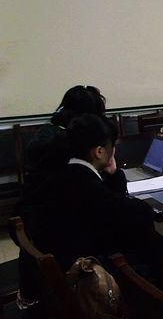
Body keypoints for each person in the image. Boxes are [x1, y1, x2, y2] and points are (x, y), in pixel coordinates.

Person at [34, 114, 156, 271]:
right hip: (84, 268)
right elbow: (137, 212)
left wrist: (113, 174)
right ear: (99, 151)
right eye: (113, 146)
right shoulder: (83, 182)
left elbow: (112, 204)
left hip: (65, 257)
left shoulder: (65, 171)